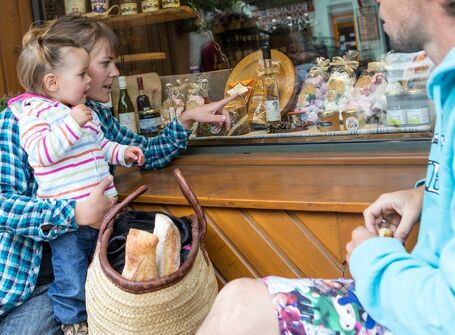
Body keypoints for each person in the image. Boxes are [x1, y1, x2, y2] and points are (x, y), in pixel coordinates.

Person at [196, 0, 455, 334]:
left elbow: (447, 314)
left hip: (420, 310)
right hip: (412, 293)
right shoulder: (446, 84)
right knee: (236, 299)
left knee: (243, 313)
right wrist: (429, 195)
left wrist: (372, 258)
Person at [0, 15, 236, 335]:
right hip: (35, 281)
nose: (115, 72)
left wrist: (186, 120)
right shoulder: (19, 120)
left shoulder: (95, 115)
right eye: (105, 63)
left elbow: (142, 153)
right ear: (68, 65)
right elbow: (4, 206)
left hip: (95, 263)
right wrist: (74, 213)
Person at [9, 26, 146, 334]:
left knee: (109, 269)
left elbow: (102, 145)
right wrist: (72, 124)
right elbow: (42, 153)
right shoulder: (31, 115)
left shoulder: (84, 112)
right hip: (67, 221)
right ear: (52, 82)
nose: (89, 80)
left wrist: (124, 153)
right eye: (84, 74)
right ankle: (73, 322)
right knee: (70, 274)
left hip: (105, 214)